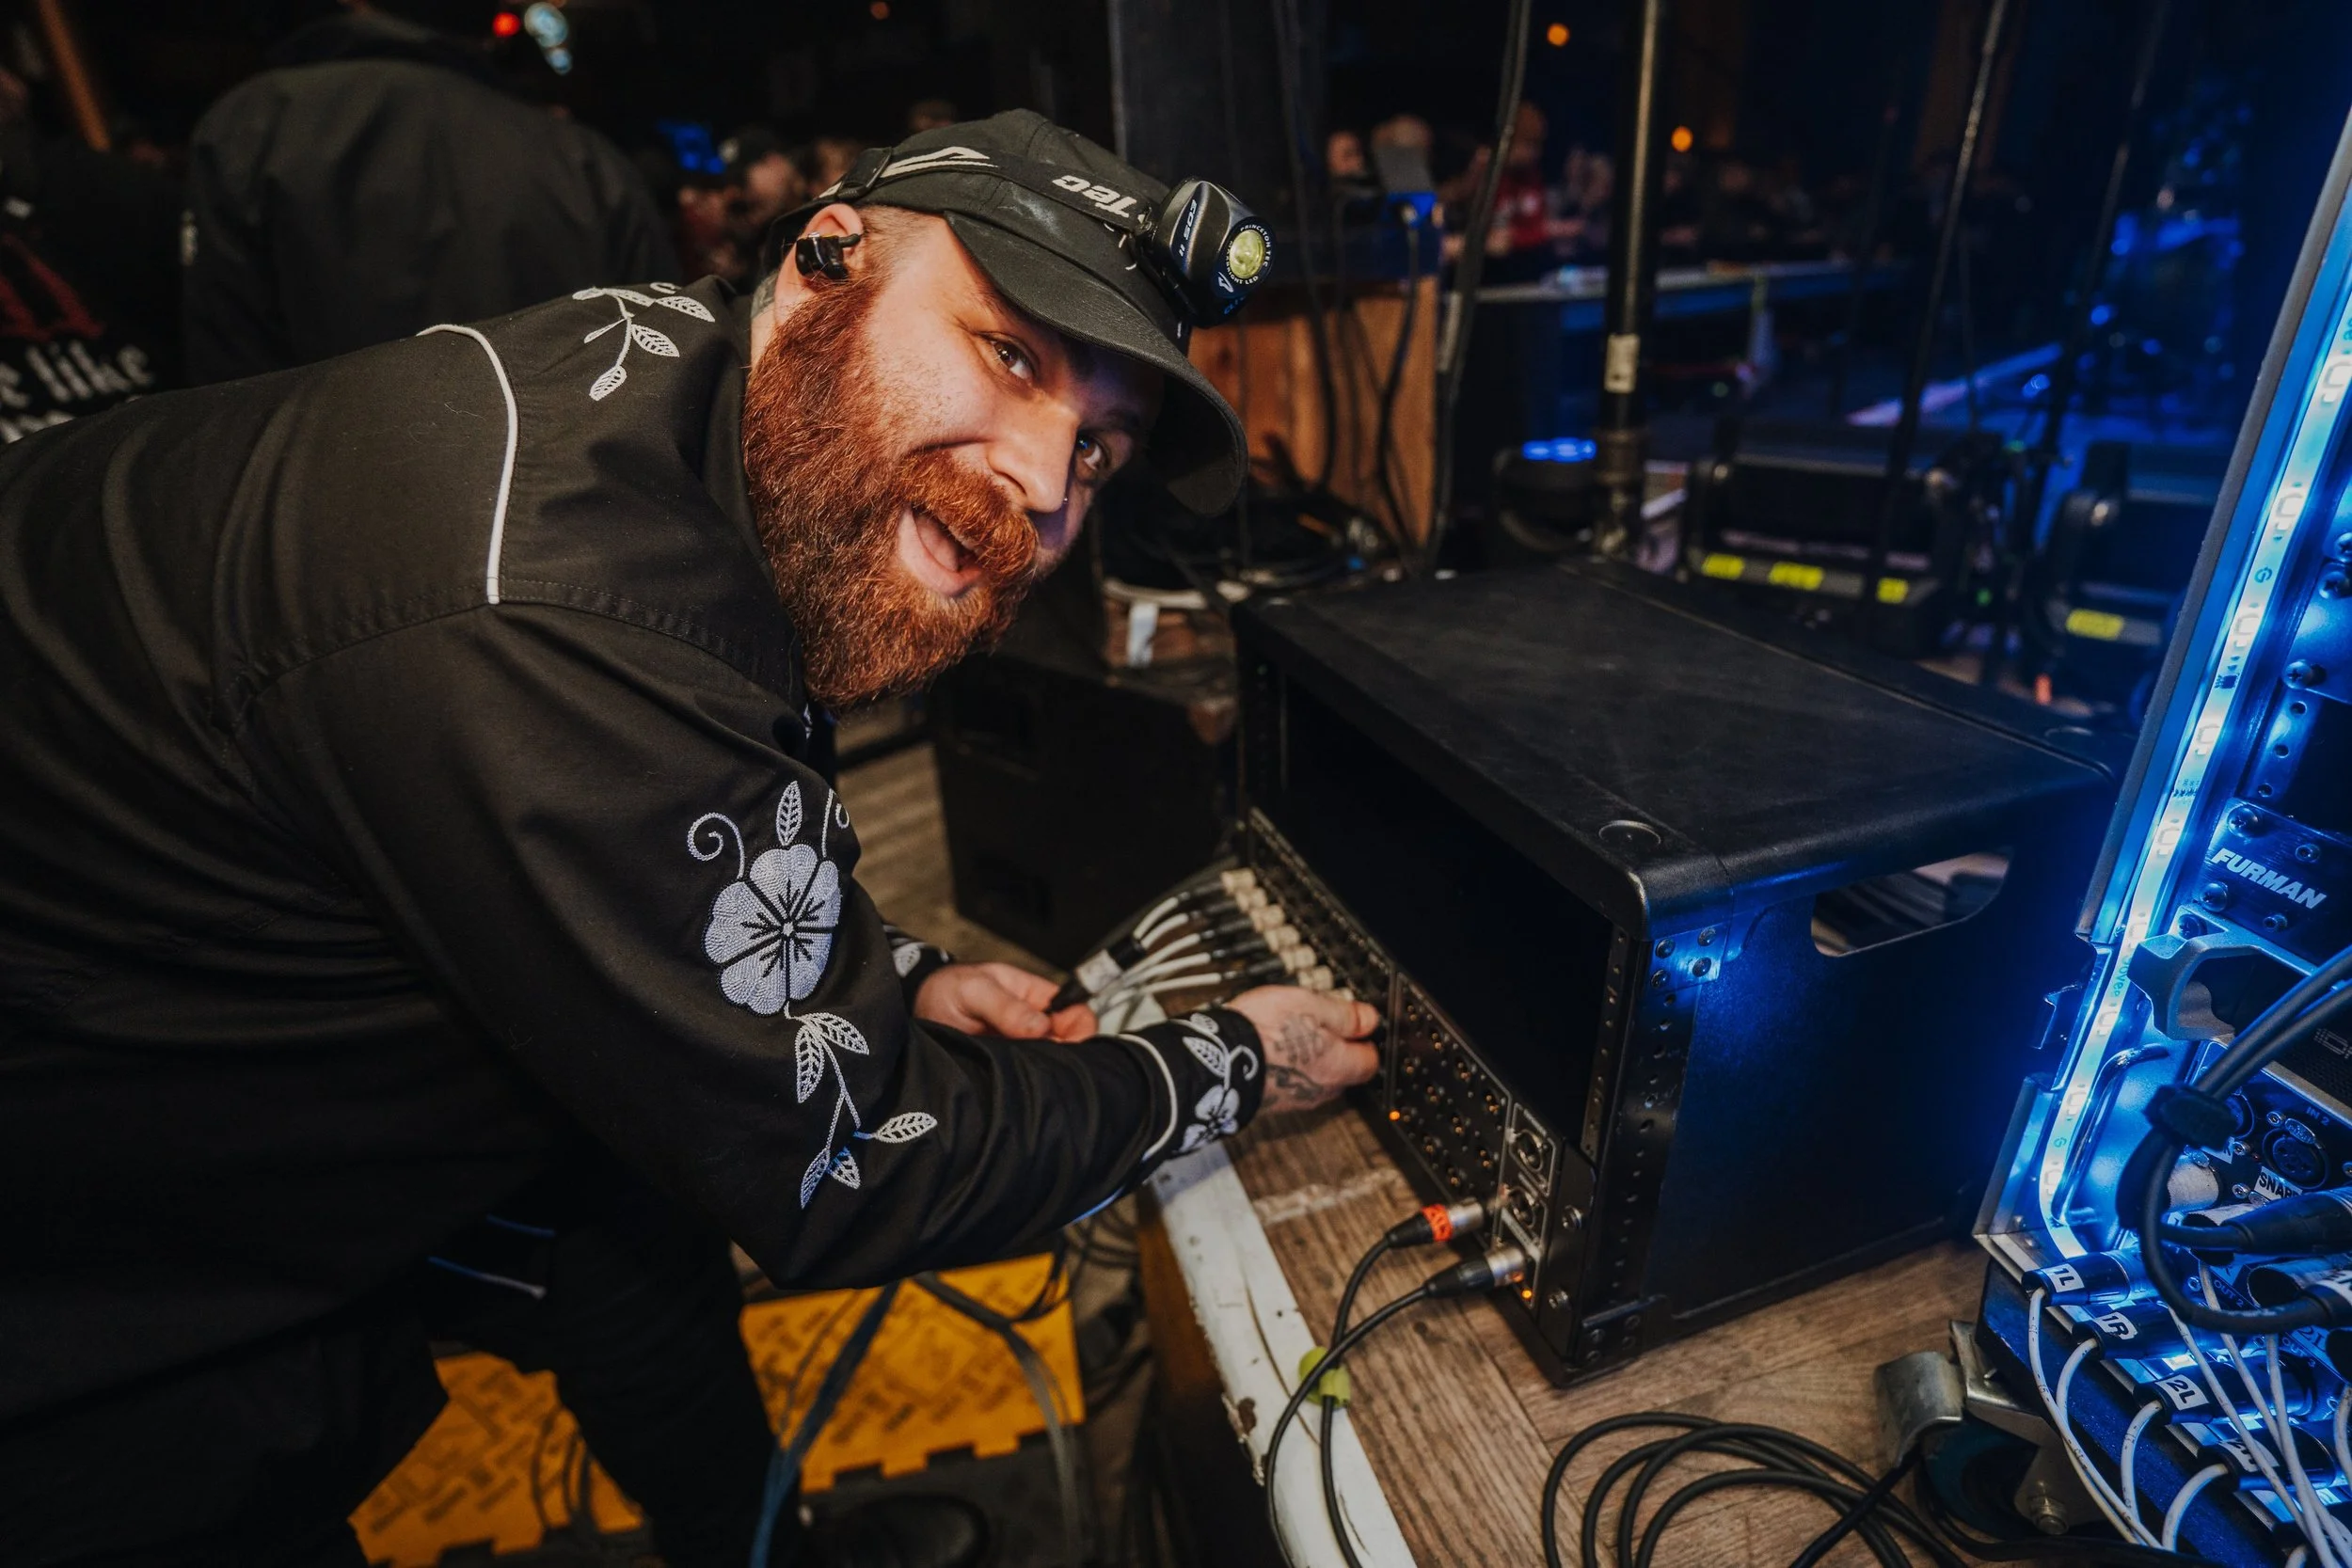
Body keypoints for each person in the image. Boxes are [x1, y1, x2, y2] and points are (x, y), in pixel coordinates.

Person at [0, 109, 1375, 1568]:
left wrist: (897, 978)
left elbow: (674, 844)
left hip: (224, 1014)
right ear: (826, 261)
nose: (1044, 483)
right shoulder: (555, 616)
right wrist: (1233, 1058)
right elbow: (860, 1161)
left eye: (1096, 447)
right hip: (89, 1260)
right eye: (1010, 353)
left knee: (631, 1229)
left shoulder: (693, 398)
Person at [180, 0, 674, 383]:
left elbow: (226, 386)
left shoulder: (256, 124)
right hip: (557, 480)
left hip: (328, 477)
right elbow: (667, 368)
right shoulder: (586, 161)